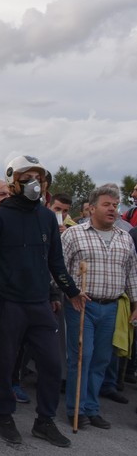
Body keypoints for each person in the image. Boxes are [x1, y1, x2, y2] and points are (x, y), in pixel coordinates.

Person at [0, 155, 86, 448]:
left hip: (39, 303)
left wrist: (71, 291)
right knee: (6, 362)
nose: (33, 184)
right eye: (27, 178)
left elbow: (55, 262)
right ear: (14, 182)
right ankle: (5, 416)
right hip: (8, 303)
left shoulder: (47, 218)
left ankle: (44, 421)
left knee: (52, 363)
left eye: (37, 178)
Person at [61, 184, 137, 429]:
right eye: (107, 204)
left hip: (111, 306)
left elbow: (132, 274)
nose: (112, 209)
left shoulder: (125, 237)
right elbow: (58, 269)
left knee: (102, 360)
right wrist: (69, 292)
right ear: (92, 208)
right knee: (82, 357)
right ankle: (77, 409)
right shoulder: (74, 234)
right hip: (82, 304)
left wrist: (136, 302)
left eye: (115, 205)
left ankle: (92, 408)